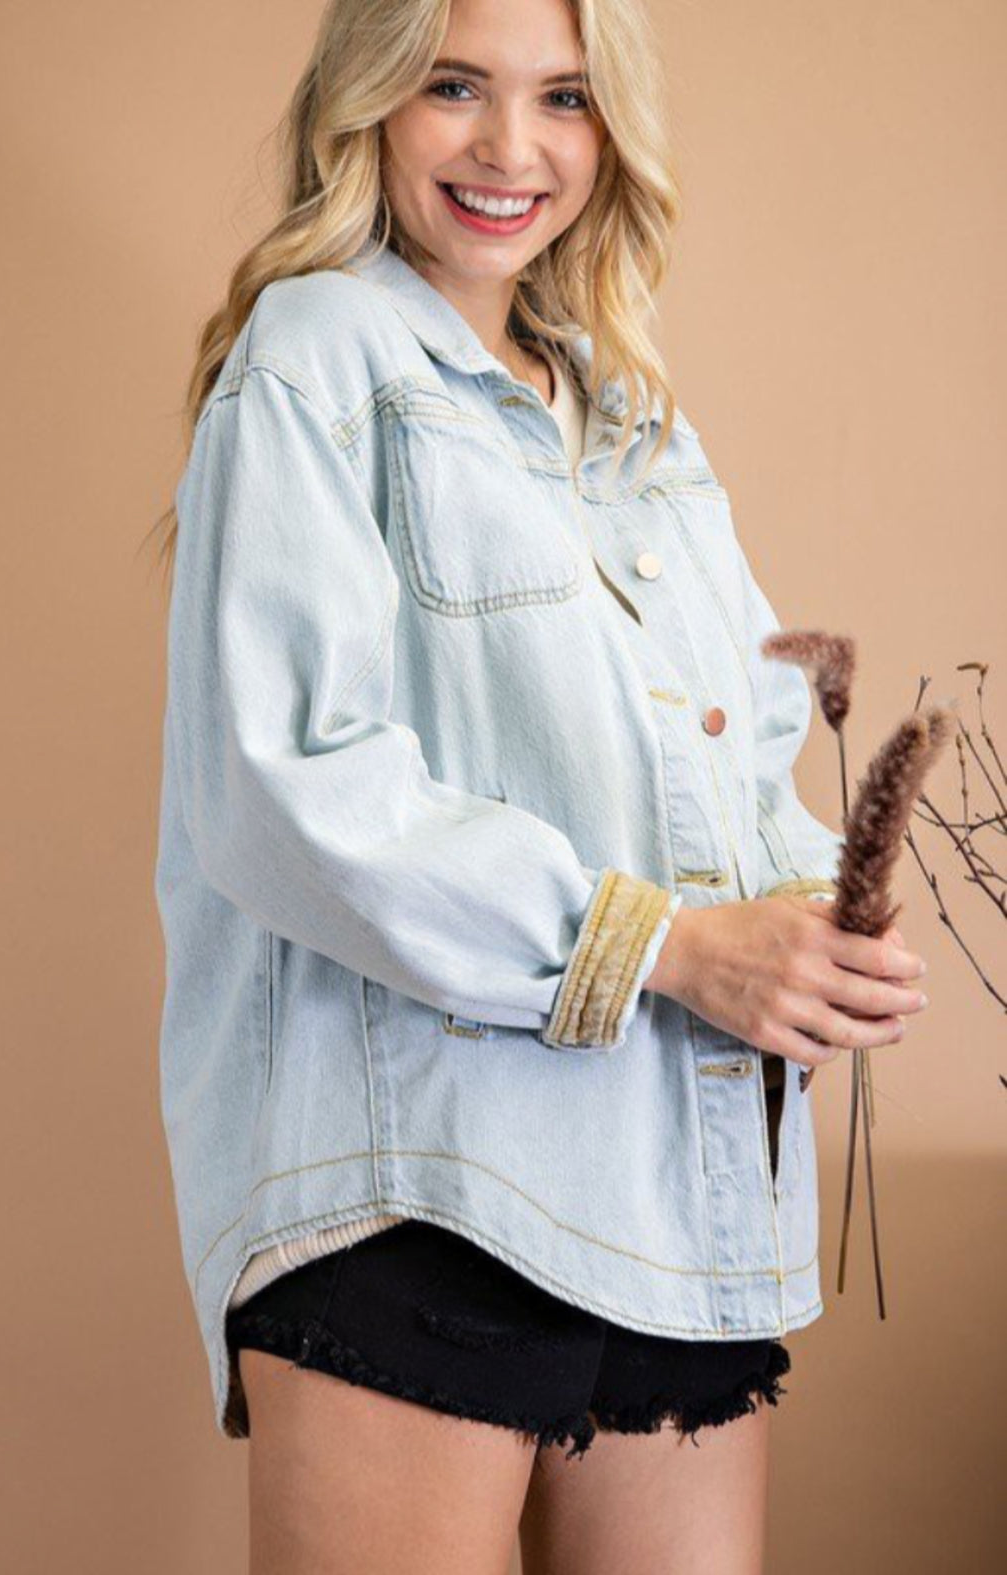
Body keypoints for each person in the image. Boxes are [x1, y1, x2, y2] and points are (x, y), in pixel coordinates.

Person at [149, 1, 930, 1569]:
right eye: (454, 86)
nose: (511, 147)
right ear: (366, 104)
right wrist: (673, 948)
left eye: (564, 98)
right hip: (427, 1186)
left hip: (676, 1194)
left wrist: (800, 928)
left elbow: (737, 750)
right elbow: (285, 779)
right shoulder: (318, 355)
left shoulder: (634, 420)